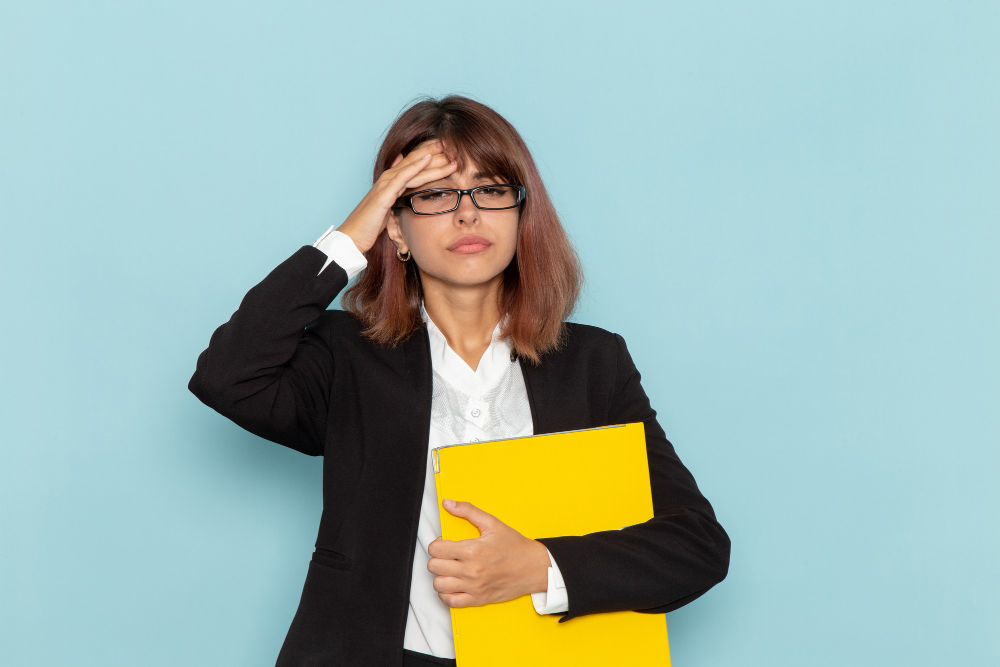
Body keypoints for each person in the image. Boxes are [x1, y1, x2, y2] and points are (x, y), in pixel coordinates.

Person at [188, 95, 731, 667]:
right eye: (434, 195)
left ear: (520, 216)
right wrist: (351, 238)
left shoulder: (593, 363)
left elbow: (696, 544)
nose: (467, 214)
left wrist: (541, 567)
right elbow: (227, 376)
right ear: (395, 226)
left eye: (490, 190)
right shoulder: (347, 356)